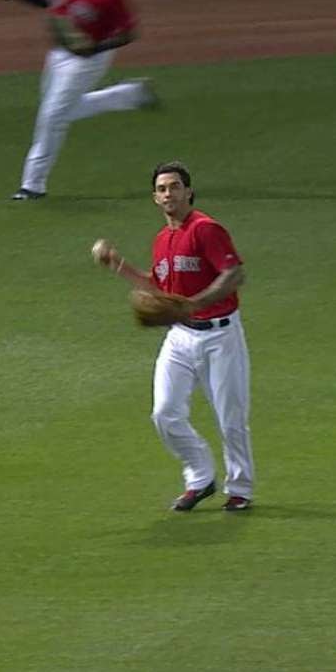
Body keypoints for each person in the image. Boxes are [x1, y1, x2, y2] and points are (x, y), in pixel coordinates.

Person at [94, 161, 255, 511]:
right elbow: (159, 288)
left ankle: (240, 489)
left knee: (230, 418)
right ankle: (200, 477)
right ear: (155, 198)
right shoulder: (162, 240)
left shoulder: (205, 229)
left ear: (189, 192)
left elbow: (234, 274)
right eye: (162, 189)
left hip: (221, 337)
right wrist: (117, 264)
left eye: (175, 186)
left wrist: (194, 304)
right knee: (164, 413)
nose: (169, 193)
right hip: (180, 337)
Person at [0, 0, 158, 200]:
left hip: (87, 61)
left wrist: (95, 48)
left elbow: (129, 32)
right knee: (59, 112)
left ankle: (32, 186)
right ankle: (130, 94)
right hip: (57, 54)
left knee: (52, 116)